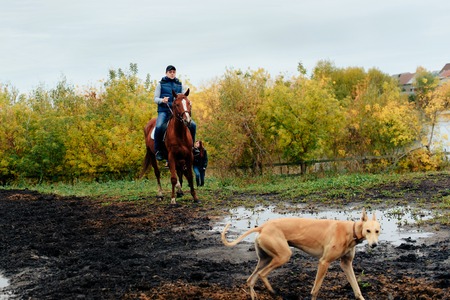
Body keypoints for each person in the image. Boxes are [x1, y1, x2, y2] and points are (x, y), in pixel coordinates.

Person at [153, 65, 196, 161]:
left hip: (178, 112)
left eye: (173, 72)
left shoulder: (179, 84)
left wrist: (189, 102)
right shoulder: (160, 84)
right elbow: (155, 98)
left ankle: (192, 147)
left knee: (193, 125)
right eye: (170, 72)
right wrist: (162, 100)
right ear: (166, 73)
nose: (172, 74)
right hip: (164, 111)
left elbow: (184, 97)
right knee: (159, 126)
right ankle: (158, 150)